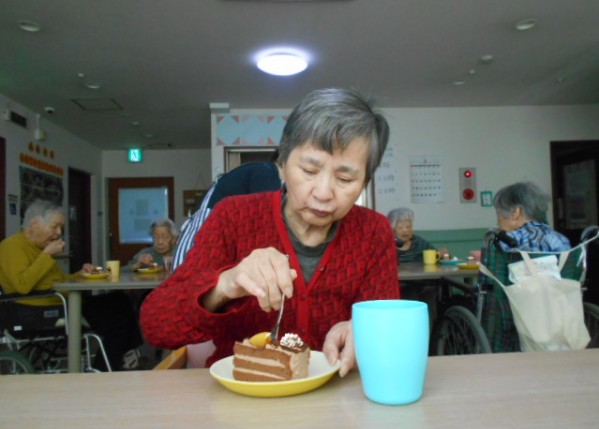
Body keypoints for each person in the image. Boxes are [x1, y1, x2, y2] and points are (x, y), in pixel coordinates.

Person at [141, 88, 400, 377]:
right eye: (309, 171)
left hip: (338, 393)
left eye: (344, 178)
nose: (324, 193)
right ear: (282, 165)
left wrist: (366, 330)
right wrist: (225, 285)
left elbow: (389, 330)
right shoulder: (233, 217)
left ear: (364, 181)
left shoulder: (374, 232)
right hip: (243, 393)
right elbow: (156, 325)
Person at [0, 199, 143, 371]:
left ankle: (127, 350)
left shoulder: (38, 248)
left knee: (119, 299)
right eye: (55, 227)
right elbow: (22, 285)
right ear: (34, 224)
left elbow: (59, 280)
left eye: (60, 228)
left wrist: (81, 274)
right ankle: (104, 370)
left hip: (60, 301)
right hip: (40, 310)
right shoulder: (12, 246)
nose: (59, 233)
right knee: (117, 322)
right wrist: (46, 255)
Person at [173, 153, 282, 269]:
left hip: (203, 235)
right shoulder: (267, 173)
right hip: (203, 235)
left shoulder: (254, 171)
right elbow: (271, 218)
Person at [493, 181, 571, 252]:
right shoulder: (561, 239)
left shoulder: (507, 241)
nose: (498, 223)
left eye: (499, 214)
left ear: (515, 213)